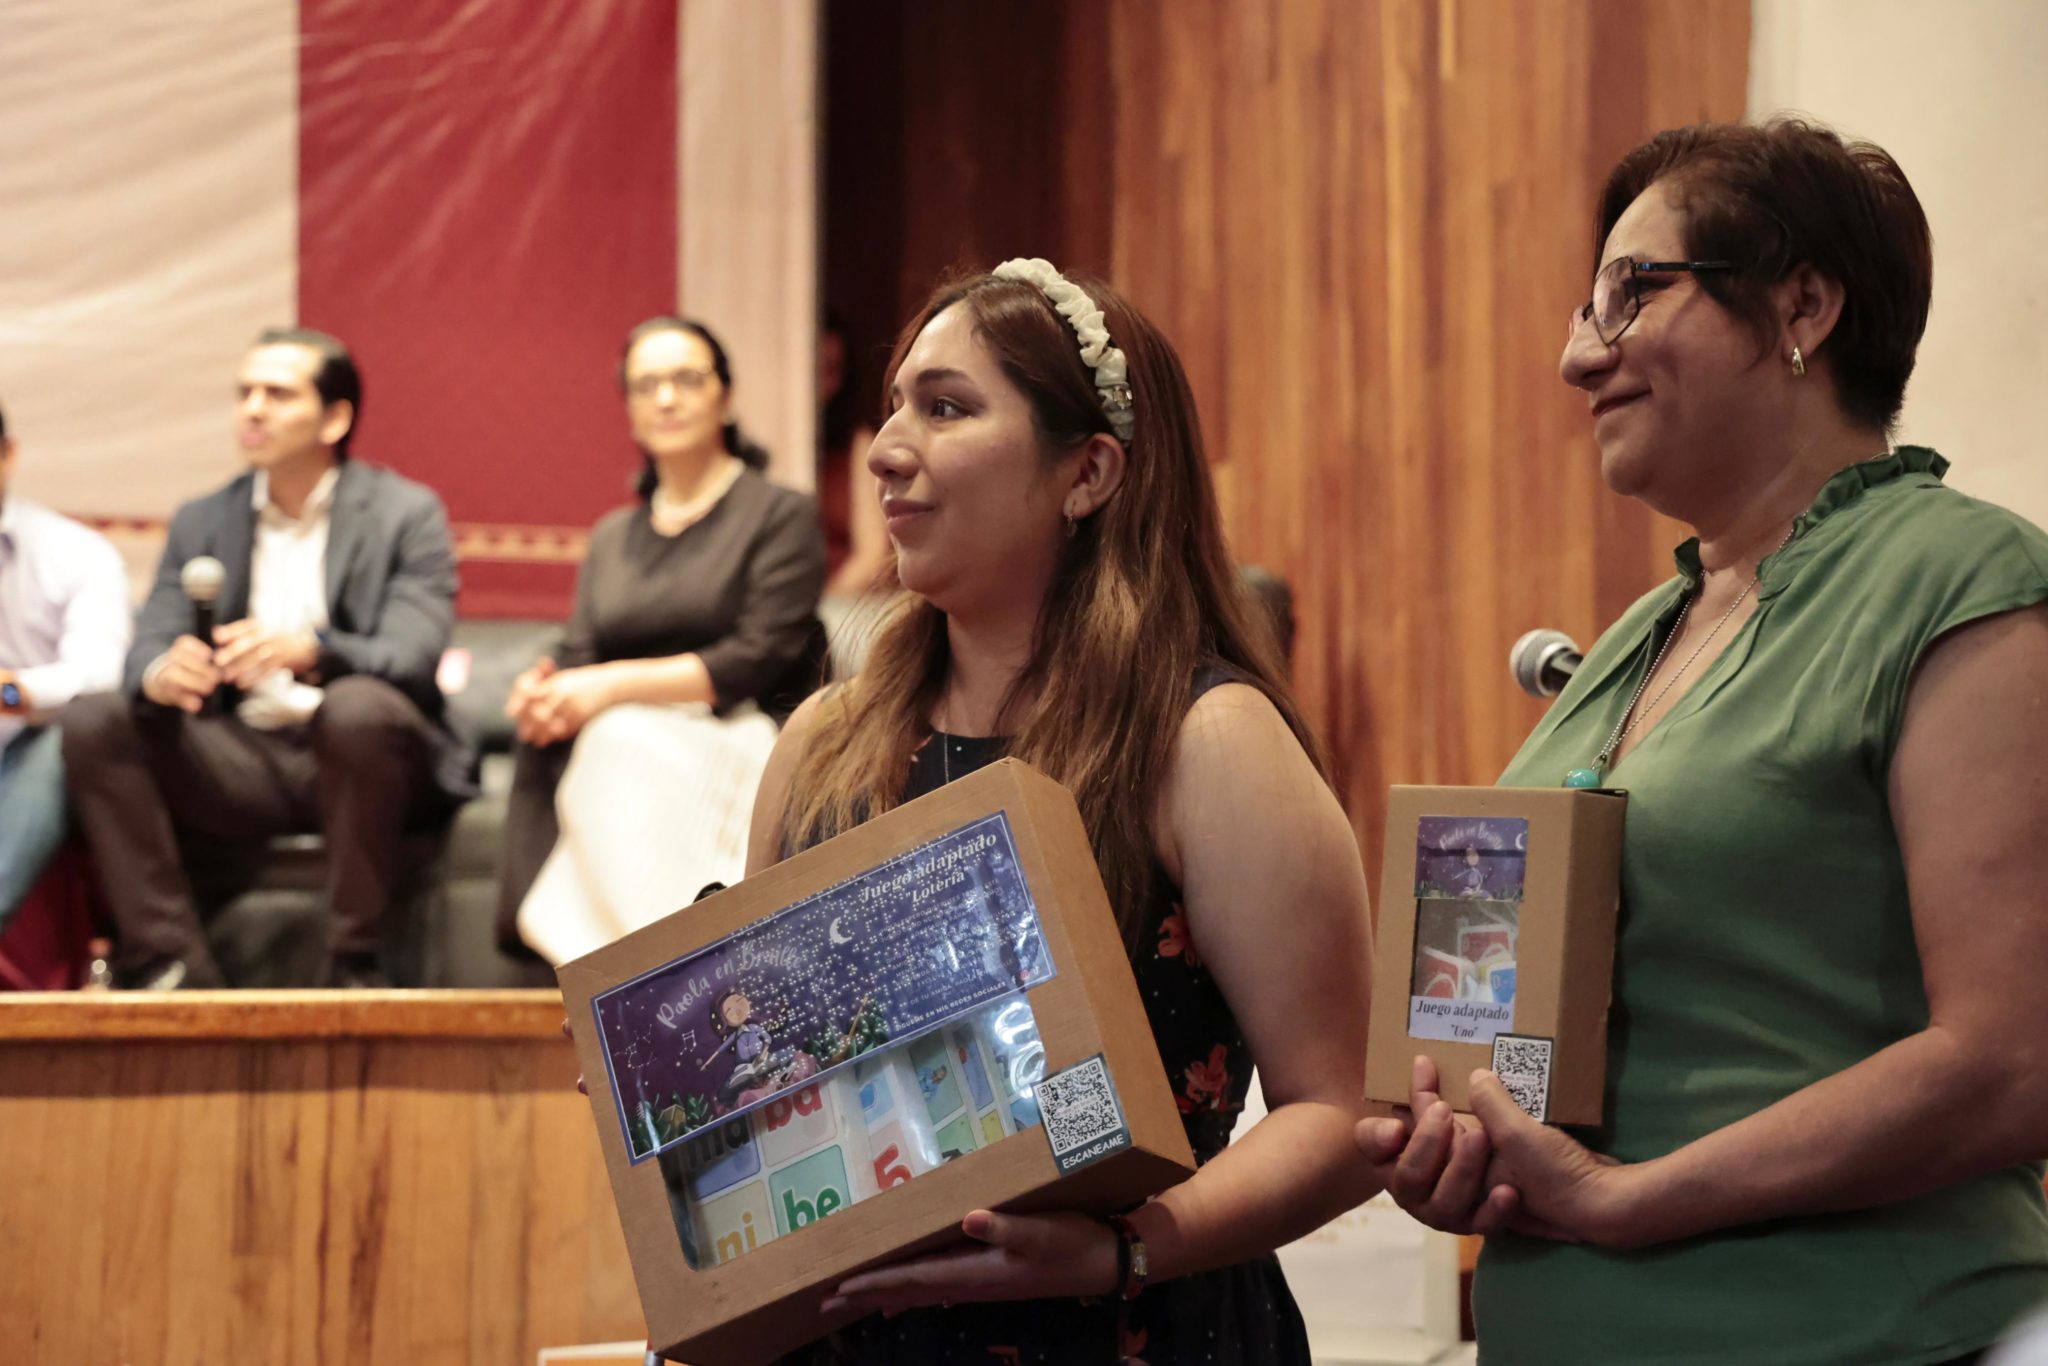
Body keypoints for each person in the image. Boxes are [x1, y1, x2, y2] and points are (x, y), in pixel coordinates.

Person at [1358, 118, 2048, 1364]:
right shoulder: (1638, 632)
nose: (1578, 355)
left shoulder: (1960, 577)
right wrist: (1465, 1143)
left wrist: (1620, 1201)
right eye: (1586, 307)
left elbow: (2015, 1059)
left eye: (1632, 292)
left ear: (1801, 307)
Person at [749, 259, 1376, 1363]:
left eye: (945, 408)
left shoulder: (1207, 741)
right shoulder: (820, 742)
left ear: (1087, 473)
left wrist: (1121, 1251)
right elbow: (777, 1091)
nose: (887, 447)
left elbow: (1343, 1114)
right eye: (894, 406)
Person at [63, 328, 468, 989]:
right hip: (245, 759)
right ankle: (173, 966)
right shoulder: (203, 518)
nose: (253, 409)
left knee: (357, 710)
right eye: (245, 392)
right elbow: (147, 645)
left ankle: (352, 965)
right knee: (93, 717)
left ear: (335, 419)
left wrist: (311, 652)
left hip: (366, 762)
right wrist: (166, 674)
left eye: (278, 395)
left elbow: (412, 656)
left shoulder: (405, 513)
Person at [495, 317, 827, 965]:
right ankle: (620, 976)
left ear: (725, 396)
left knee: (616, 737)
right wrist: (542, 692)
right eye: (646, 385)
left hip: (739, 725)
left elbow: (760, 653)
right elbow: (579, 652)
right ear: (629, 408)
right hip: (622, 738)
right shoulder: (613, 536)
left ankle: (666, 969)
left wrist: (609, 687)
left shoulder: (779, 514)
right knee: (595, 738)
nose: (666, 398)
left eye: (686, 379)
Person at [0, 399, 131, 931]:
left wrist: (10, 692)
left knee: (72, 736)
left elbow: (100, 672)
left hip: (35, 747)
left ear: (7, 455)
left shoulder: (76, 552)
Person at [817, 310, 891, 595]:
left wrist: (822, 606)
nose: (821, 383)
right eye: (814, 368)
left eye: (831, 370)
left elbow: (872, 554)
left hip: (844, 600)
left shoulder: (857, 444)